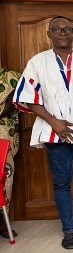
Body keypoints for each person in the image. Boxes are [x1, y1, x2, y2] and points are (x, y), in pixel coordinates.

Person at [13, 16, 73, 250]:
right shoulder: (37, 62)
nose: (62, 33)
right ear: (49, 34)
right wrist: (54, 122)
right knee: (61, 183)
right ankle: (68, 230)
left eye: (67, 29)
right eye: (57, 29)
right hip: (55, 134)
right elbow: (28, 97)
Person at [0, 68, 21, 239]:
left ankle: (2, 222)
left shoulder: (10, 77)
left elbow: (17, 100)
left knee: (4, 176)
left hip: (3, 135)